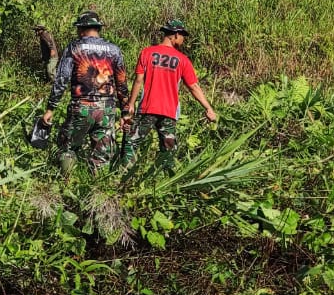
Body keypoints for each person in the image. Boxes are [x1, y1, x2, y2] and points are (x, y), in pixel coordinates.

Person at [120, 19, 218, 172]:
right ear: (176, 35)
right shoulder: (182, 60)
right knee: (168, 149)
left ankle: (125, 176)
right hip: (169, 111)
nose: (183, 39)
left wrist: (131, 104)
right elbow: (193, 87)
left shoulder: (147, 53)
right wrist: (208, 108)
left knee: (131, 141)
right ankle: (169, 179)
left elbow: (138, 80)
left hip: (148, 108)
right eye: (183, 36)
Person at [42, 11, 129, 174]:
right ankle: (98, 185)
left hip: (81, 106)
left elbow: (62, 78)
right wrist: (125, 112)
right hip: (106, 109)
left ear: (81, 29)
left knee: (67, 146)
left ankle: (66, 181)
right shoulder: (114, 50)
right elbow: (122, 83)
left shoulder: (74, 47)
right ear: (97, 28)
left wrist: (50, 108)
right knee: (102, 154)